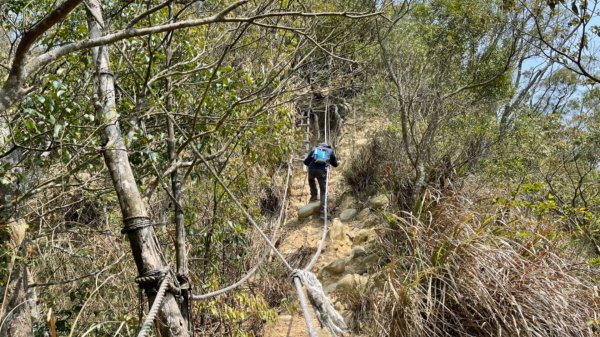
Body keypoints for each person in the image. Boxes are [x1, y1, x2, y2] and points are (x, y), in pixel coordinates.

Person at [303, 143, 338, 219]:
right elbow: (335, 164)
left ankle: (314, 196)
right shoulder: (330, 150)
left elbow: (306, 162)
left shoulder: (314, 149)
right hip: (321, 171)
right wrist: (329, 161)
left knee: (311, 181)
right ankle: (323, 213)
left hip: (311, 169)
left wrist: (310, 163)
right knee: (323, 191)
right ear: (328, 146)